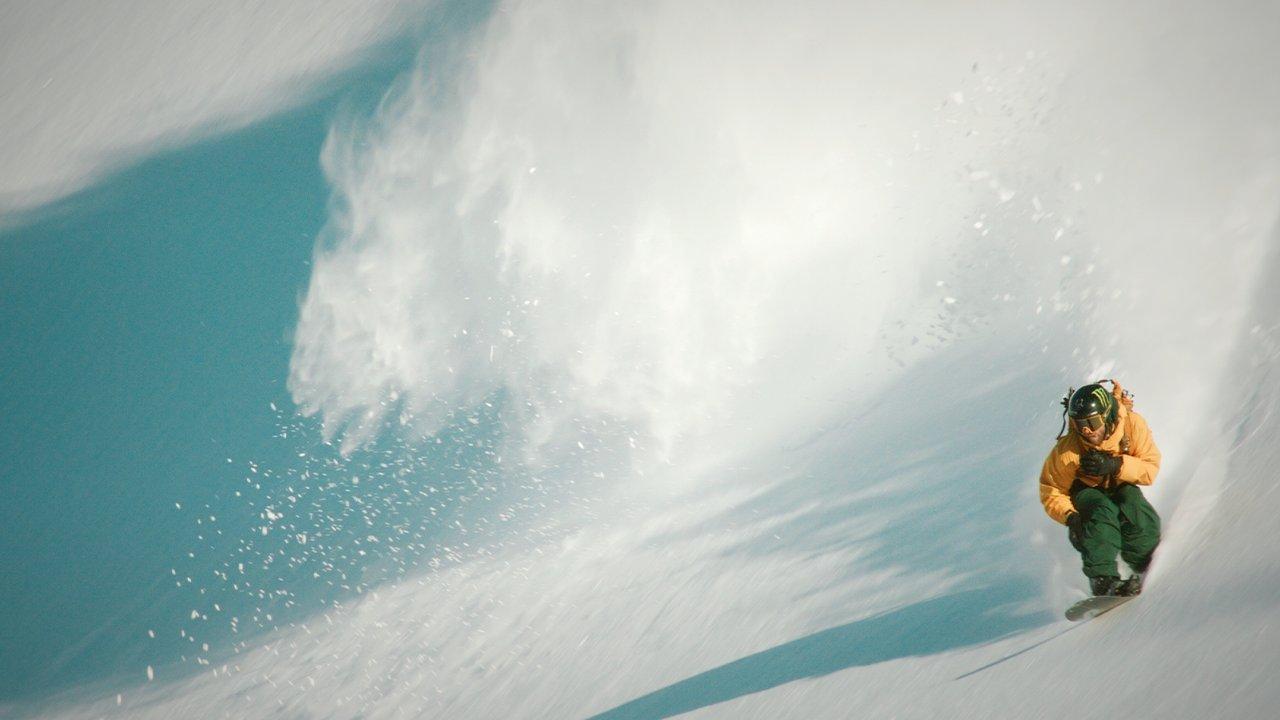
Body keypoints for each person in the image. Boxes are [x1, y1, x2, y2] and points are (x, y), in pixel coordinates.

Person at [1039, 380, 1162, 597]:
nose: (1087, 430)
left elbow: (1150, 468)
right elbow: (1051, 489)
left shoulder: (1132, 426)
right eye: (1080, 424)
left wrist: (1116, 465)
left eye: (1092, 422)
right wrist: (1070, 517)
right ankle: (1103, 579)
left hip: (1120, 482)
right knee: (1101, 512)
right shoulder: (1069, 450)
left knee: (1133, 506)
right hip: (1087, 490)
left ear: (1106, 416)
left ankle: (1146, 561)